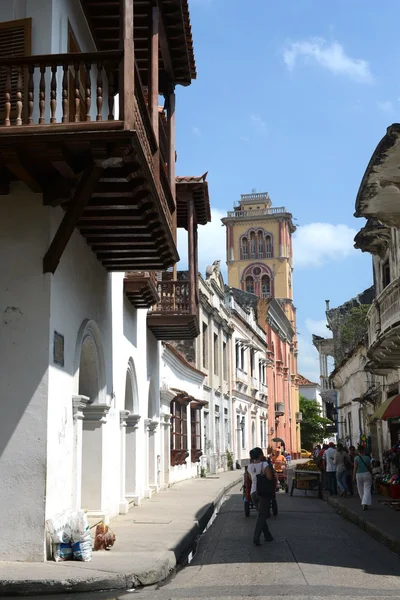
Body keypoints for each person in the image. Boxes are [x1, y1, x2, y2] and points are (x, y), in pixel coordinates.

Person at [247, 447, 274, 545]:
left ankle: (268, 535)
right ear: (260, 455)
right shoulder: (264, 464)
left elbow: (250, 478)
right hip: (263, 492)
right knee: (262, 515)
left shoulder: (249, 466)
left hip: (253, 492)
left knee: (261, 514)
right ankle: (256, 537)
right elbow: (269, 477)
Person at [353, 445, 372, 510]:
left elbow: (355, 468)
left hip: (358, 474)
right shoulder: (368, 458)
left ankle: (363, 502)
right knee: (367, 489)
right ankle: (365, 502)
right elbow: (369, 467)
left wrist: (353, 476)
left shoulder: (356, 458)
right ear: (364, 450)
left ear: (358, 450)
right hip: (367, 474)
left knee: (360, 490)